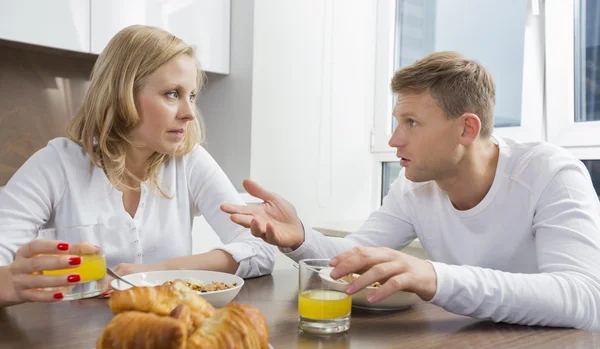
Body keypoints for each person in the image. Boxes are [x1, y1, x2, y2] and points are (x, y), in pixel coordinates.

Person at [222, 51, 600, 331]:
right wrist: (300, 237)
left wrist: (434, 277)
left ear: (467, 129)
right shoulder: (413, 187)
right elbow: (357, 255)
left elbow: (582, 298)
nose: (394, 139)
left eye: (412, 122)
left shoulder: (552, 174)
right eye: (397, 122)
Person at [0, 25, 275, 307]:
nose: (189, 113)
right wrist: (12, 283)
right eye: (172, 94)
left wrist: (160, 272)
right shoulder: (57, 164)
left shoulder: (188, 162)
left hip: (165, 336)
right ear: (123, 95)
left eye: (191, 96)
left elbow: (261, 250)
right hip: (69, 345)